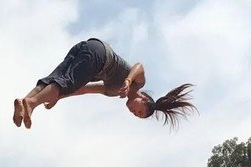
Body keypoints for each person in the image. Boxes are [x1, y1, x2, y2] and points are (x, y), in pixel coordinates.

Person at [12, 38, 196, 129]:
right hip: (100, 55)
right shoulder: (138, 84)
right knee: (66, 82)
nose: (134, 112)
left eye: (137, 115)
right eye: (139, 111)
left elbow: (83, 89)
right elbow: (139, 66)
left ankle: (25, 103)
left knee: (56, 80)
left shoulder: (113, 92)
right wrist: (128, 80)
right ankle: (31, 104)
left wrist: (59, 97)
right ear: (143, 97)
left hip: (86, 49)